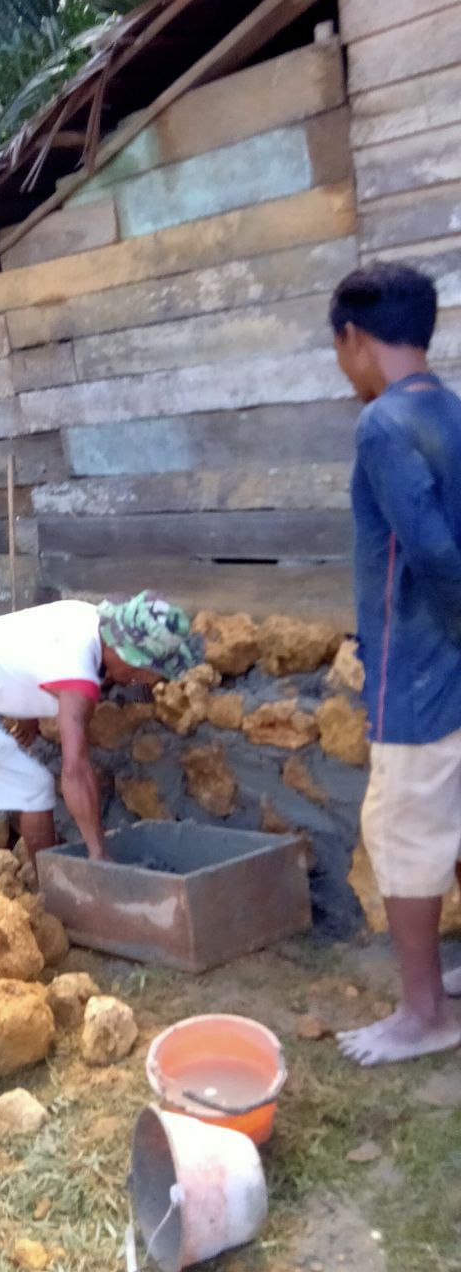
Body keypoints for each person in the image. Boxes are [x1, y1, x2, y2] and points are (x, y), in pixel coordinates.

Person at [328, 263, 461, 1067]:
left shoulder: (383, 426)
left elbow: (437, 555)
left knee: (403, 832)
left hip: (418, 669)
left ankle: (424, 1013)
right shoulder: (450, 410)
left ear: (353, 338)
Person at [0, 592, 198, 872]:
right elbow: (76, 769)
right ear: (125, 651)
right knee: (34, 786)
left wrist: (28, 715)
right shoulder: (78, 674)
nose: (148, 679)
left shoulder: (89, 619)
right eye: (146, 670)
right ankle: (49, 888)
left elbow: (27, 654)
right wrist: (97, 851)